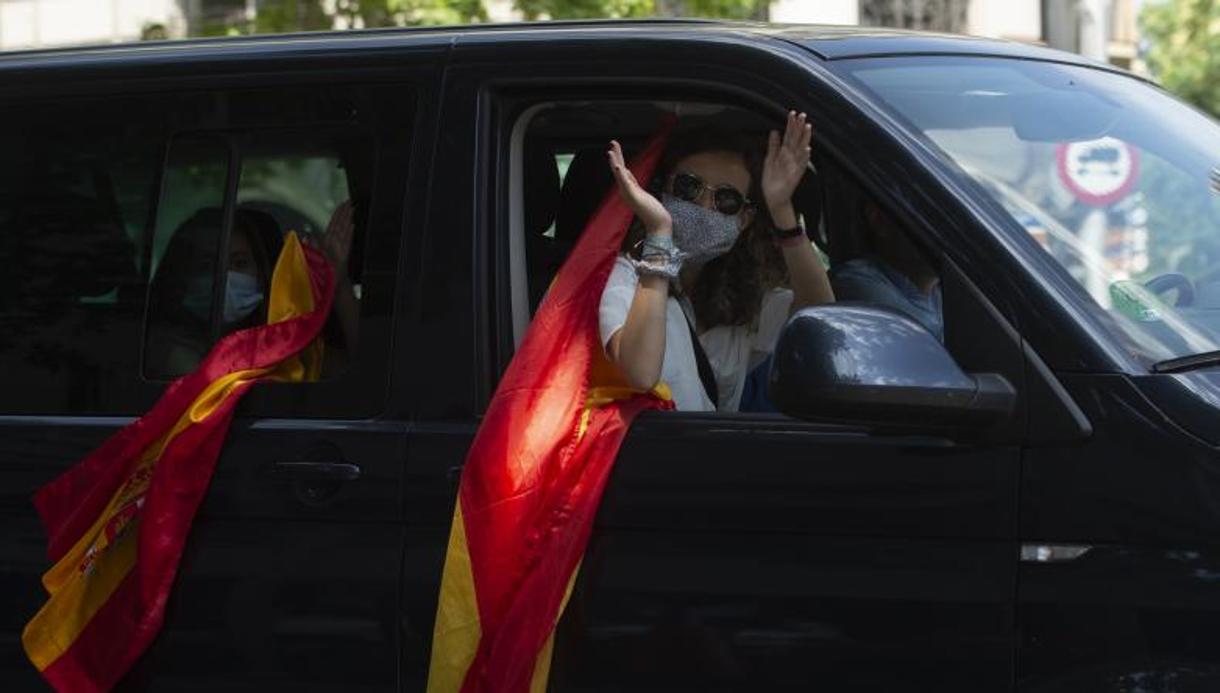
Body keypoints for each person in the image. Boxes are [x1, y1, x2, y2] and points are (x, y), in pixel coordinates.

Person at [600, 111, 835, 412]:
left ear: (744, 219)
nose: (703, 207)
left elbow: (821, 316)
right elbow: (641, 374)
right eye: (688, 187)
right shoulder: (625, 277)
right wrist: (659, 232)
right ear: (662, 191)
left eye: (725, 200)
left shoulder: (745, 297)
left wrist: (781, 210)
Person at [145, 203, 358, 378]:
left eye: (240, 263)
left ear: (265, 271)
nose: (226, 278)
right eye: (207, 266)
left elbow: (363, 372)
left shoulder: (289, 342)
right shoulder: (163, 347)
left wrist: (339, 289)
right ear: (184, 276)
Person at [830, 200, 943, 342]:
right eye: (930, 215)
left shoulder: (940, 293)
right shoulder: (857, 284)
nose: (944, 230)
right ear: (878, 219)